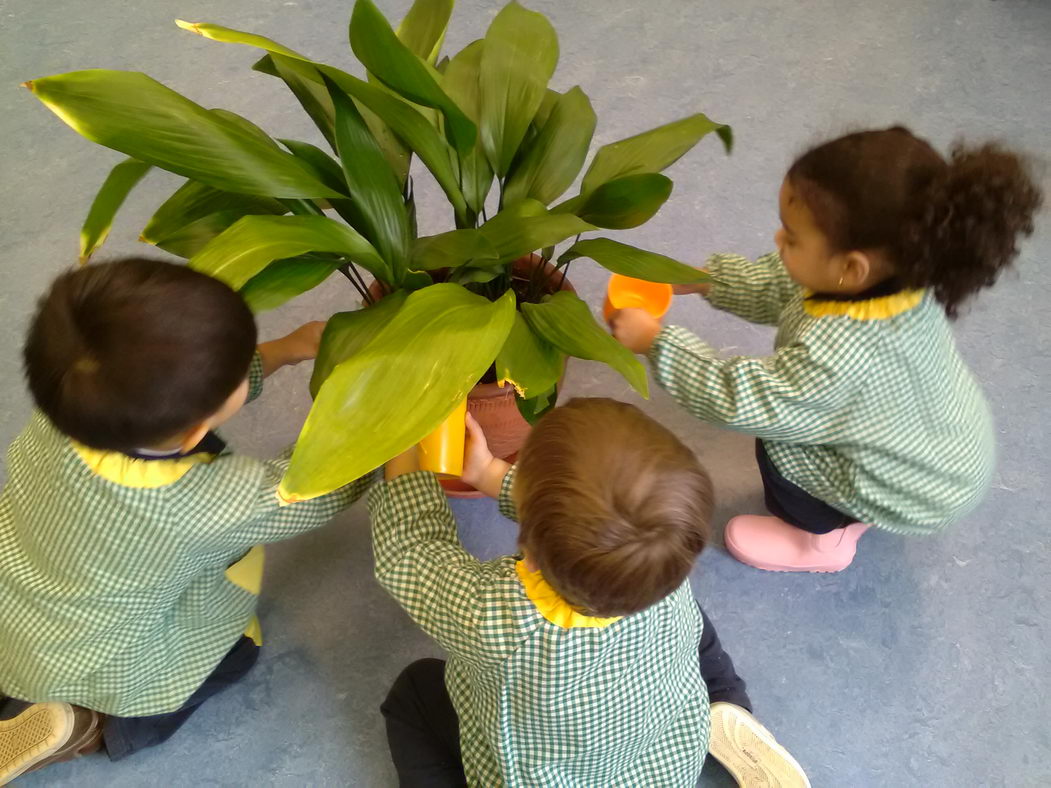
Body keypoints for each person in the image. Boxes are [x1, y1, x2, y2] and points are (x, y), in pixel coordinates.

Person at [0, 257, 374, 782]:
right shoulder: (210, 502)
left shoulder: (65, 407)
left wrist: (286, 350)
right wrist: (381, 420)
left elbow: (185, 388)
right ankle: (92, 725)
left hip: (16, 603)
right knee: (235, 656)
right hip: (113, 659)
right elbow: (319, 488)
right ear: (196, 430)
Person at [609, 126, 1042, 573]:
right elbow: (781, 285)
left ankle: (822, 543)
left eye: (791, 238)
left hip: (919, 488)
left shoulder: (838, 357)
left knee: (779, 443)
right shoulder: (897, 281)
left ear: (851, 268)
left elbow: (743, 399)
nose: (778, 242)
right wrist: (703, 278)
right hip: (942, 448)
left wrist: (656, 343)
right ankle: (856, 503)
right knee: (807, 417)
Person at [370, 398, 809, 786]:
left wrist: (400, 446)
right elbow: (591, 522)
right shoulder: (661, 550)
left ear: (531, 547)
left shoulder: (495, 616)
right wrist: (490, 473)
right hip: (664, 762)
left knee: (413, 694)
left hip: (552, 777)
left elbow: (411, 550)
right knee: (692, 626)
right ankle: (728, 702)